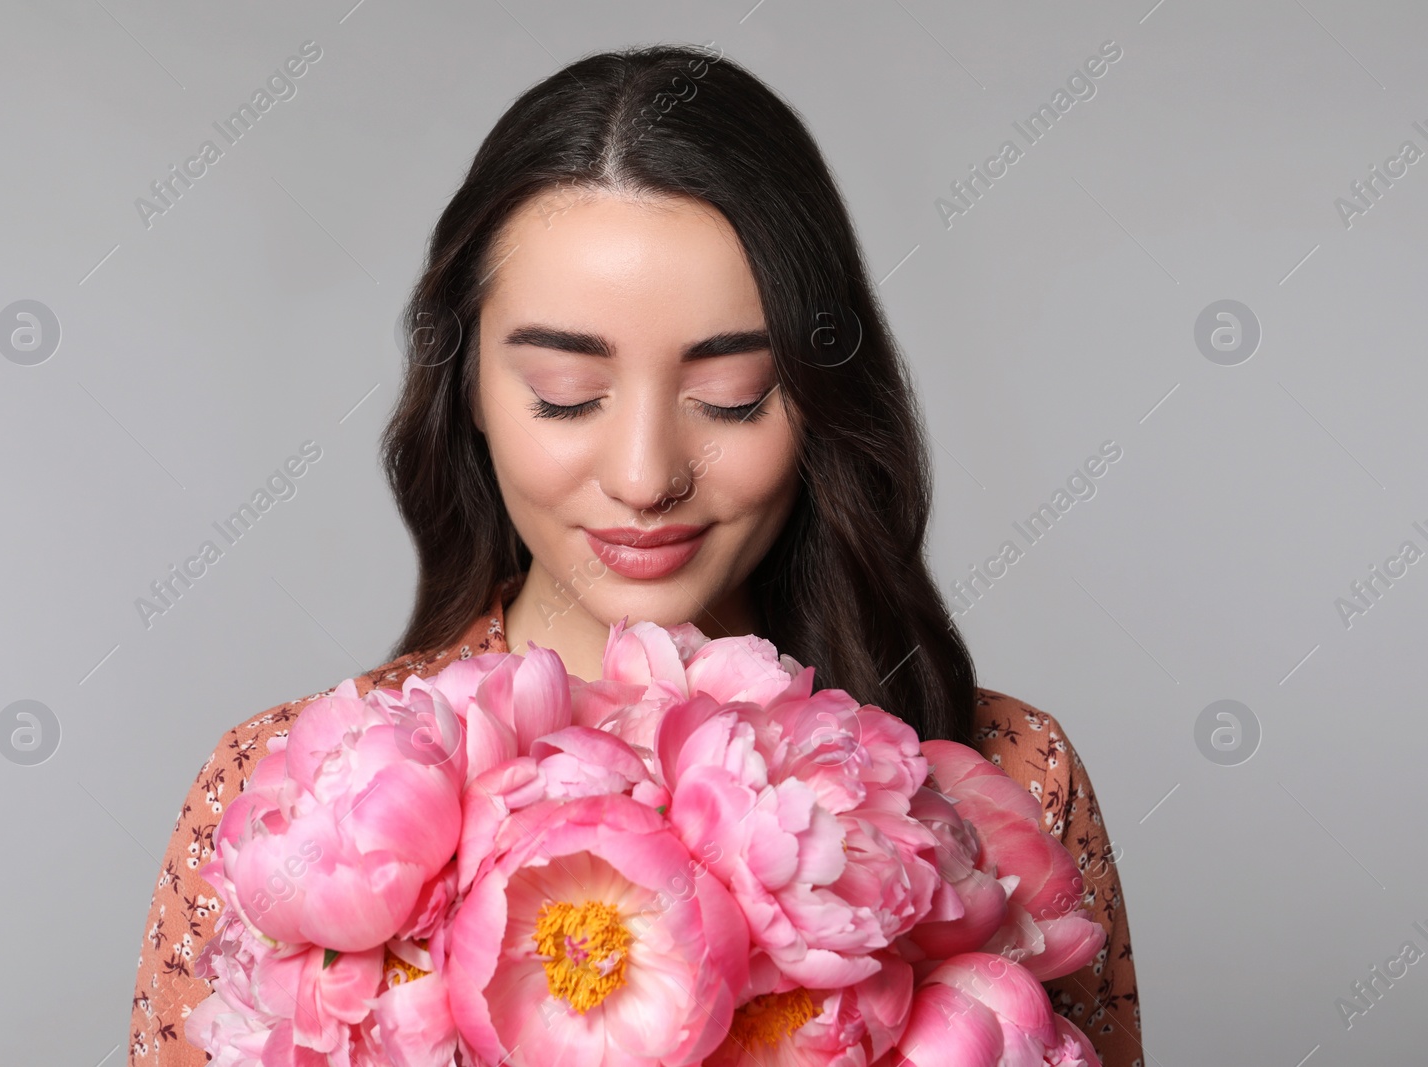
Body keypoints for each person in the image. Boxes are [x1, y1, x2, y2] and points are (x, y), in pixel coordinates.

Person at [128, 43, 1141, 1066]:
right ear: (468, 389)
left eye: (732, 394)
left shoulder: (1003, 785)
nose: (647, 473)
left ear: (820, 394)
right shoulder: (293, 806)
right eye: (567, 394)